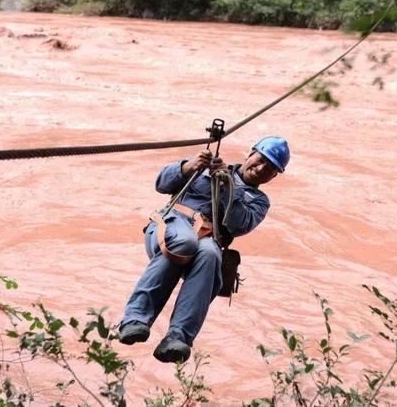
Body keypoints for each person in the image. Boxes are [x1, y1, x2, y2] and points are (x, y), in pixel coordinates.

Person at [118, 136, 290, 363]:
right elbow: (162, 183)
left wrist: (228, 187)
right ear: (250, 154)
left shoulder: (258, 201)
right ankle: (135, 318)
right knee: (186, 241)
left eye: (269, 169)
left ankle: (178, 338)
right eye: (260, 161)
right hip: (171, 226)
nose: (260, 169)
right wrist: (188, 167)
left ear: (274, 176)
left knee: (210, 254)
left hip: (207, 240)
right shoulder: (205, 168)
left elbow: (240, 224)